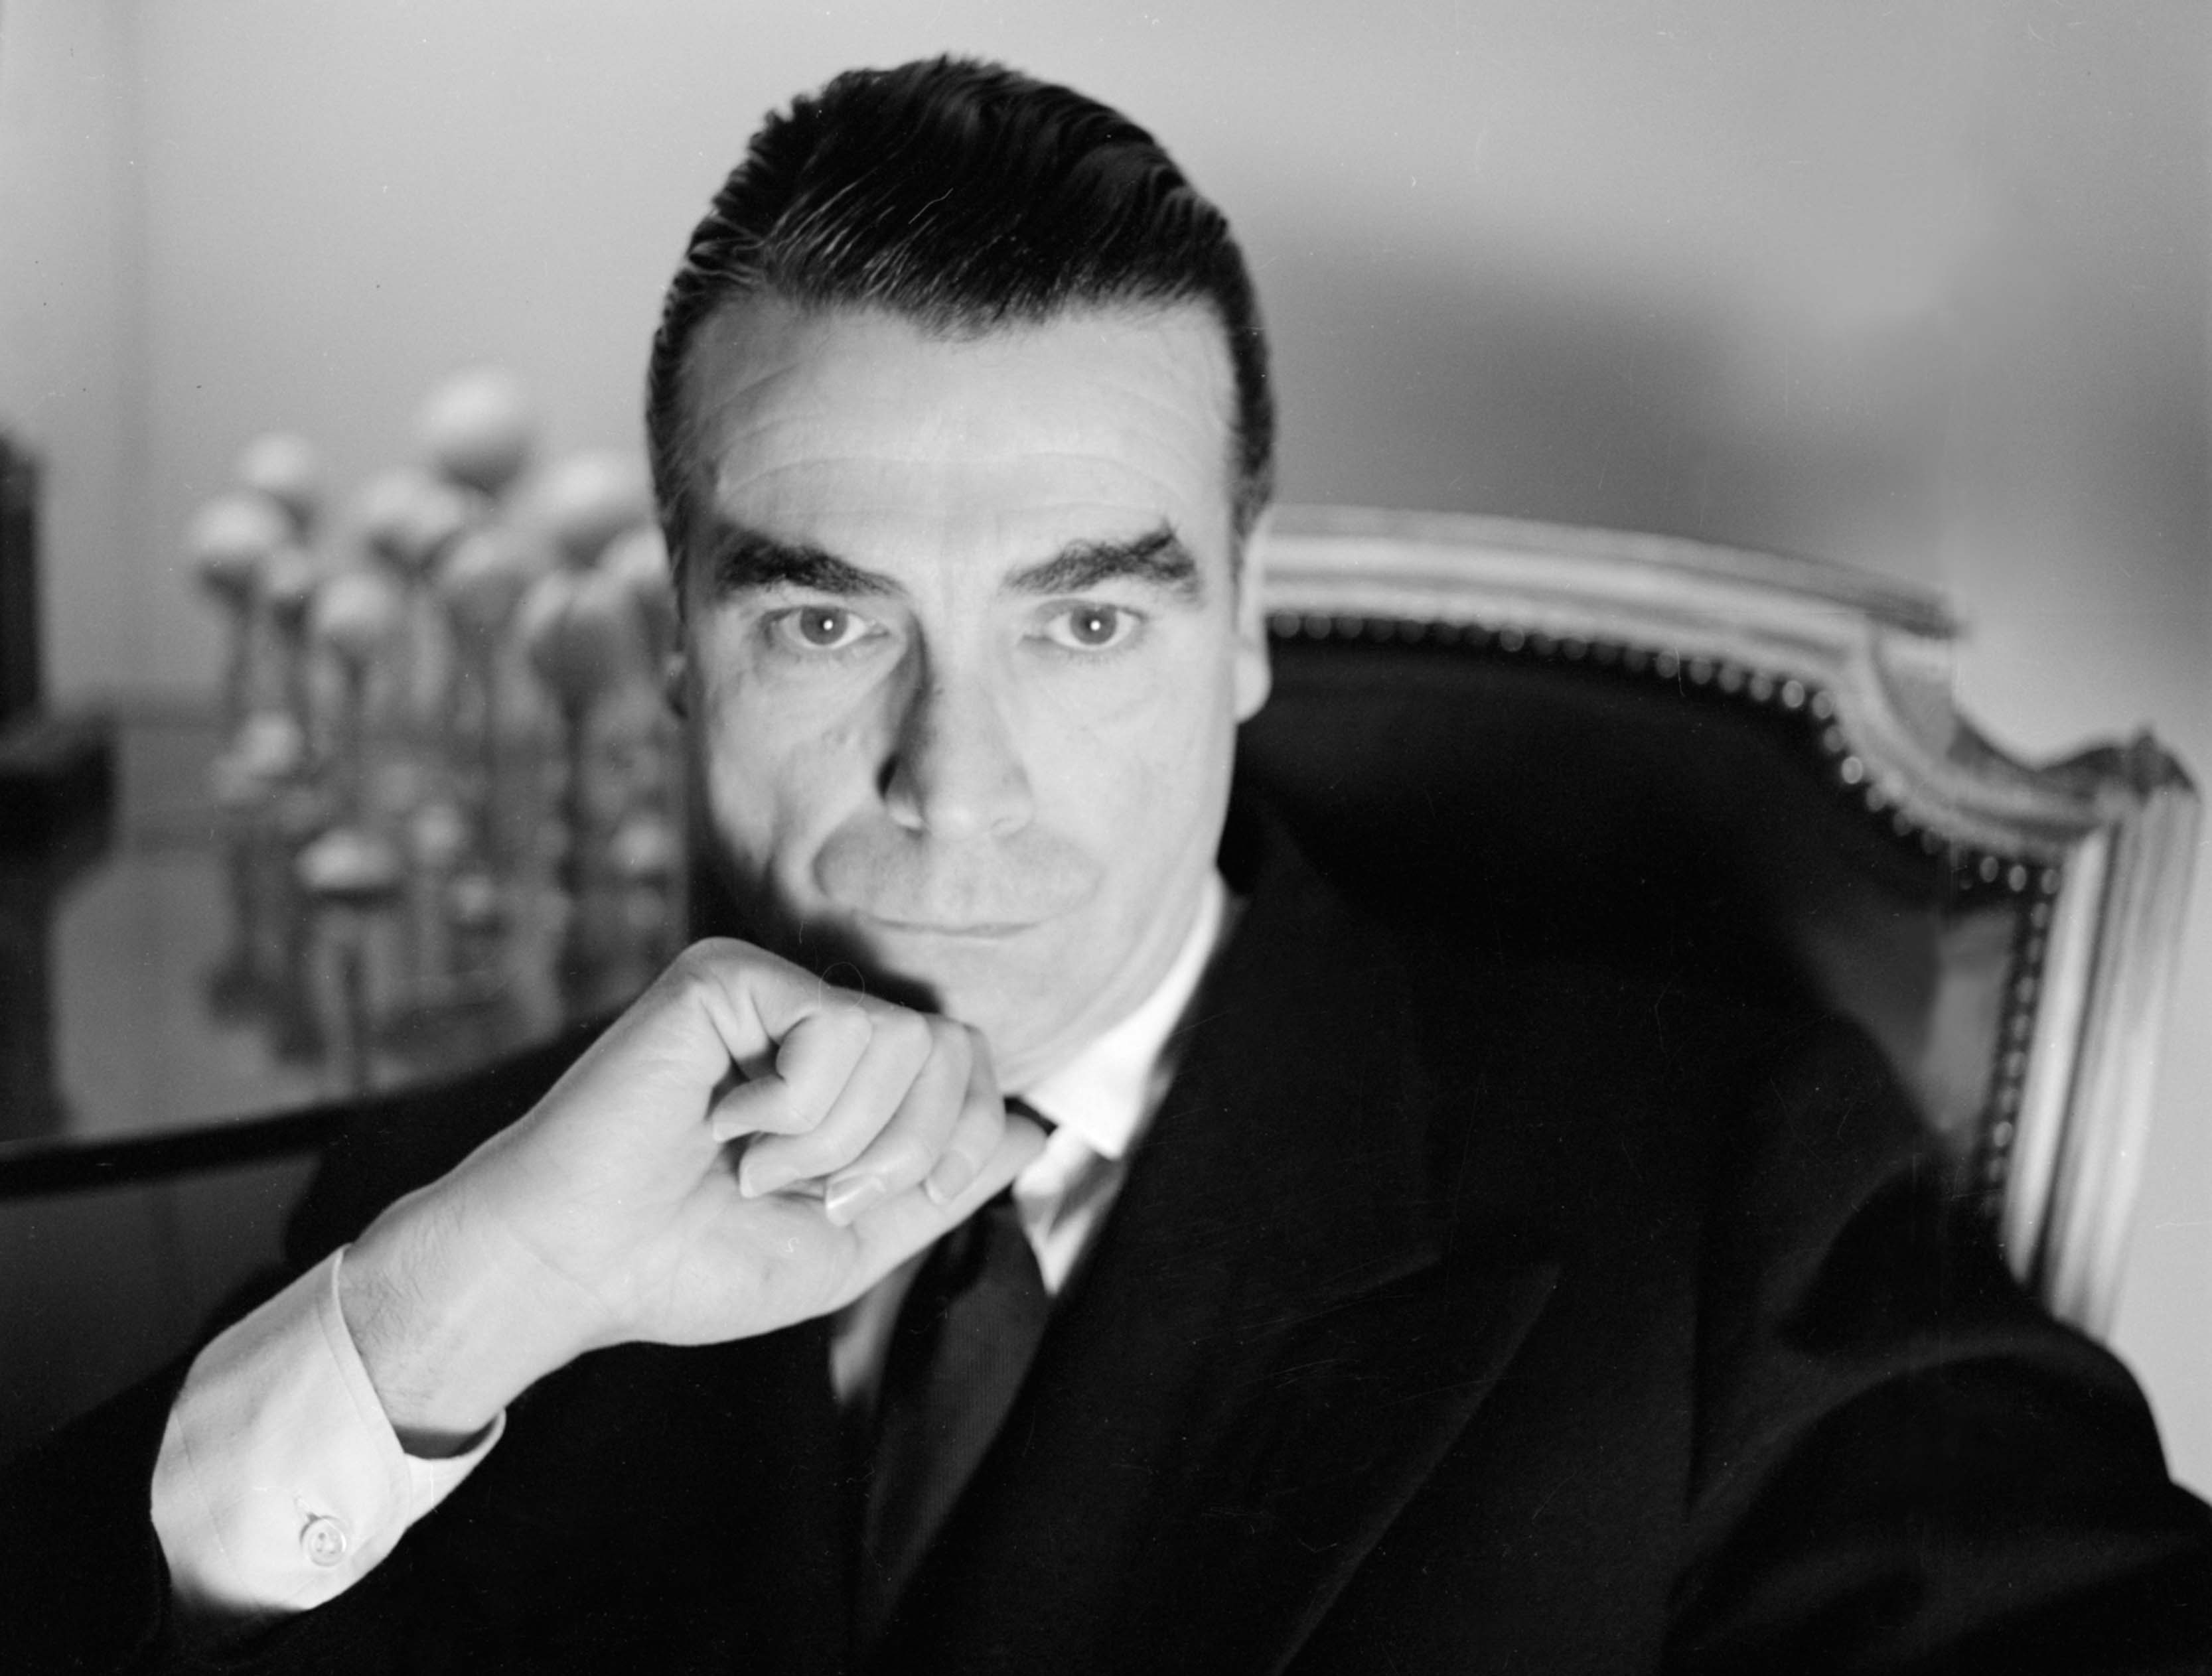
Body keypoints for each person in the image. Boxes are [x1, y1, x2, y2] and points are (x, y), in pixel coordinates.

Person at [5, 55, 2209, 1674]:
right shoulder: (443, 1218)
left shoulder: (1724, 1193)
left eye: (1085, 624)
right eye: (824, 621)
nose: (954, 784)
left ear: (1245, 626)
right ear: (677, 650)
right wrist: (425, 1329)